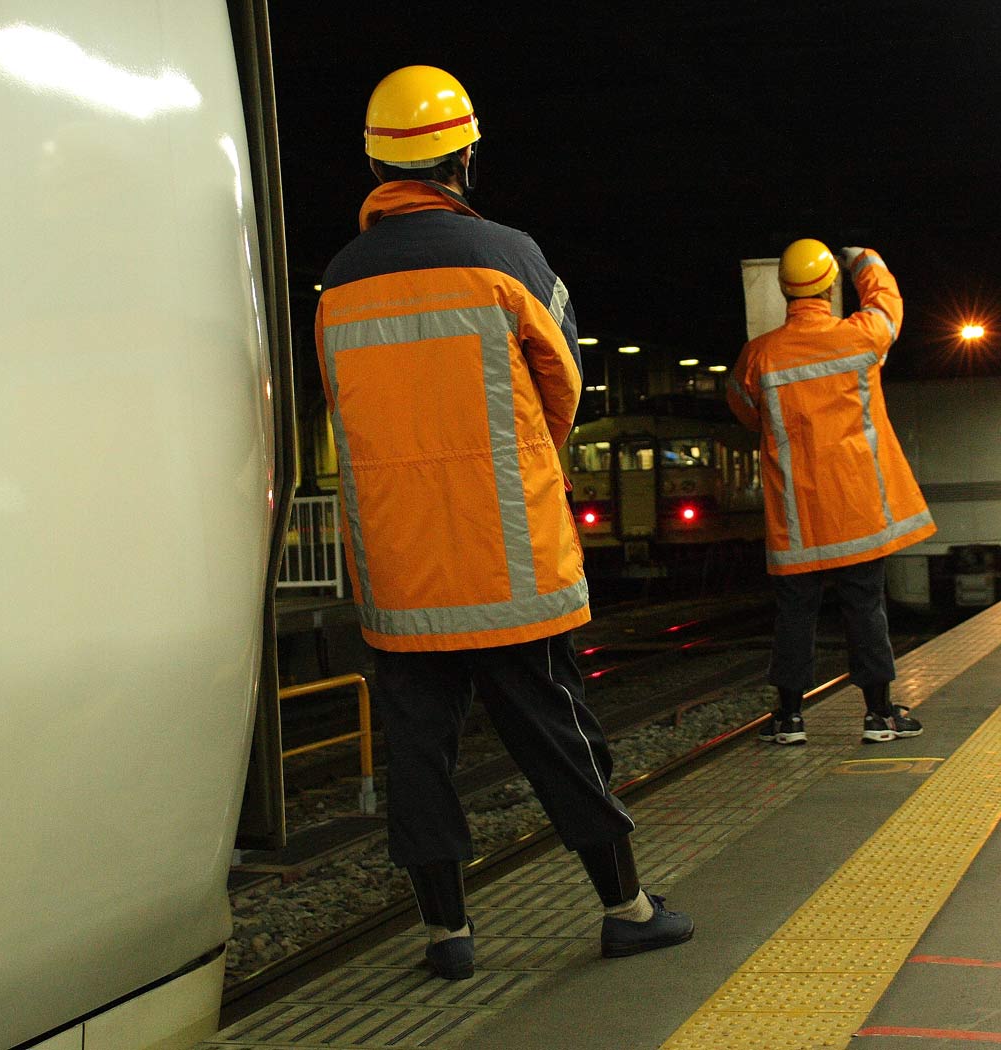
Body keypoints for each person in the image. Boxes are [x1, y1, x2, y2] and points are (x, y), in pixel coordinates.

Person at [314, 65, 692, 980]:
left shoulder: (336, 282)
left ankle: (448, 936)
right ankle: (625, 907)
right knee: (559, 735)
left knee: (418, 757)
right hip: (508, 558)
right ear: (464, 157)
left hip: (401, 571)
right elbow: (562, 387)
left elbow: (340, 409)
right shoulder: (508, 257)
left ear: (376, 164)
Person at [727, 239, 936, 745]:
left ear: (783, 289)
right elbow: (888, 304)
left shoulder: (759, 356)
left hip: (797, 516)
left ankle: (789, 719)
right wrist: (863, 259)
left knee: (796, 613)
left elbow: (744, 410)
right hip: (858, 508)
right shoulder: (860, 339)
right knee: (866, 607)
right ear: (829, 285)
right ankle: (880, 714)